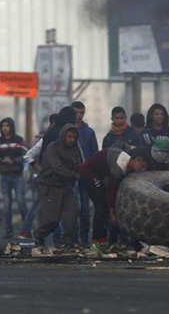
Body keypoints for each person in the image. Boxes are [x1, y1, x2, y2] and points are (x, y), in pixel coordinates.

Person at [80, 144, 150, 251]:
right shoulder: (119, 166)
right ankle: (96, 241)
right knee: (100, 207)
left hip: (99, 175)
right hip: (88, 173)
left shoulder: (127, 163)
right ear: (137, 160)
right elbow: (111, 189)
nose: (142, 170)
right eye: (142, 166)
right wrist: (112, 212)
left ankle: (102, 240)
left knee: (103, 207)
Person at [33, 124, 83, 250]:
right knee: (53, 219)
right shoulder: (52, 148)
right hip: (49, 185)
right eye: (69, 137)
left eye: (74, 137)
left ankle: (66, 241)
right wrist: (75, 175)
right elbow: (57, 168)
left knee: (73, 211)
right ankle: (39, 235)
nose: (71, 140)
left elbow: (80, 164)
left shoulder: (75, 148)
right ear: (63, 136)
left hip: (65, 184)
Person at [0, 118, 28, 239]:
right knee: (7, 204)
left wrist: (14, 161)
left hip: (18, 175)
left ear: (11, 127)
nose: (4, 128)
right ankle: (8, 231)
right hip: (4, 176)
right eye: (3, 126)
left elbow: (26, 155)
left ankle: (27, 229)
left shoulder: (19, 140)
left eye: (7, 126)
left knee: (21, 202)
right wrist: (2, 160)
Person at [71, 101, 97, 246]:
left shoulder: (89, 132)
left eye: (81, 113)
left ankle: (84, 239)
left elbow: (94, 154)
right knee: (73, 208)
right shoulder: (66, 131)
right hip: (70, 176)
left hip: (85, 175)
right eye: (76, 112)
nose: (79, 116)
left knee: (85, 209)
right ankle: (73, 239)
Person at [141, 104, 169, 171]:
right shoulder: (146, 133)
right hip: (150, 170)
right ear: (151, 116)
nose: (160, 116)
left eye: (161, 114)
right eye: (157, 114)